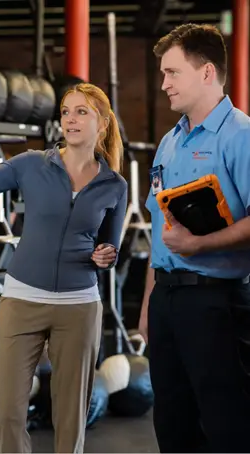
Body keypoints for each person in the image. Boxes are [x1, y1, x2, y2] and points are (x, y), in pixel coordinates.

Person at [0, 82, 128, 454]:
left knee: (70, 416)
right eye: (66, 111)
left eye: (82, 111)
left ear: (103, 123)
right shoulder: (33, 164)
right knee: (10, 414)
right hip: (21, 301)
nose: (71, 119)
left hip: (79, 305)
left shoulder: (114, 185)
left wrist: (106, 256)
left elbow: (110, 248)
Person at [138, 23, 250, 453]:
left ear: (206, 73)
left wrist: (200, 245)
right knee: (172, 422)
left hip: (218, 304)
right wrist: (150, 304)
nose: (164, 84)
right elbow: (160, 232)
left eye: (172, 73)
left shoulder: (240, 135)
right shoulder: (169, 142)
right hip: (168, 302)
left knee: (227, 425)